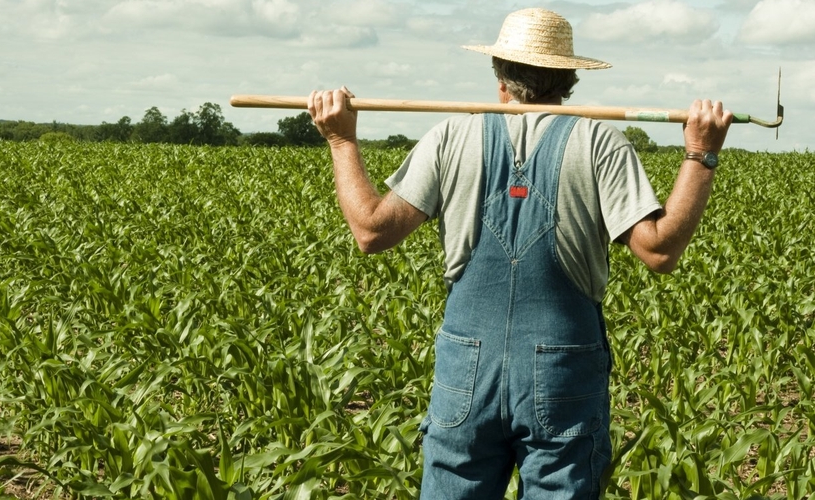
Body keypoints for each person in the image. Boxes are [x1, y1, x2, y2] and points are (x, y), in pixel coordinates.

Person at [307, 7, 732, 499]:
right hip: (562, 370)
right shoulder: (601, 142)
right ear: (569, 78)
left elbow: (371, 231)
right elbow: (659, 251)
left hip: (466, 370)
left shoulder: (452, 136)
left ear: (499, 75)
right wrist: (701, 154)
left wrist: (341, 139)